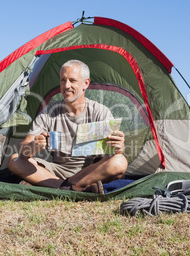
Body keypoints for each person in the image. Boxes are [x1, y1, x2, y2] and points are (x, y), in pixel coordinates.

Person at [8, 60, 128, 193]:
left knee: (120, 161)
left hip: (90, 171)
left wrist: (119, 147)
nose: (66, 85)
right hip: (55, 171)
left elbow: (113, 152)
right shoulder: (49, 112)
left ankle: (62, 186)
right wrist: (33, 146)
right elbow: (23, 149)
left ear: (85, 83)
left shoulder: (100, 111)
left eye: (72, 80)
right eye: (63, 80)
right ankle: (72, 187)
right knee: (15, 160)